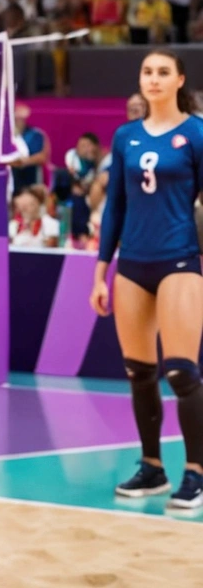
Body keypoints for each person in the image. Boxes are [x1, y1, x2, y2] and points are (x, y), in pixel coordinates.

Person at [90, 50, 203, 510]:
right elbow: (114, 204)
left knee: (181, 371)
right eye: (147, 73)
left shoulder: (196, 132)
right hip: (132, 263)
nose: (153, 80)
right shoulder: (125, 137)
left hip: (179, 259)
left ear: (179, 80)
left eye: (162, 73)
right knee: (139, 373)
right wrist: (101, 271)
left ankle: (195, 472)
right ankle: (152, 466)